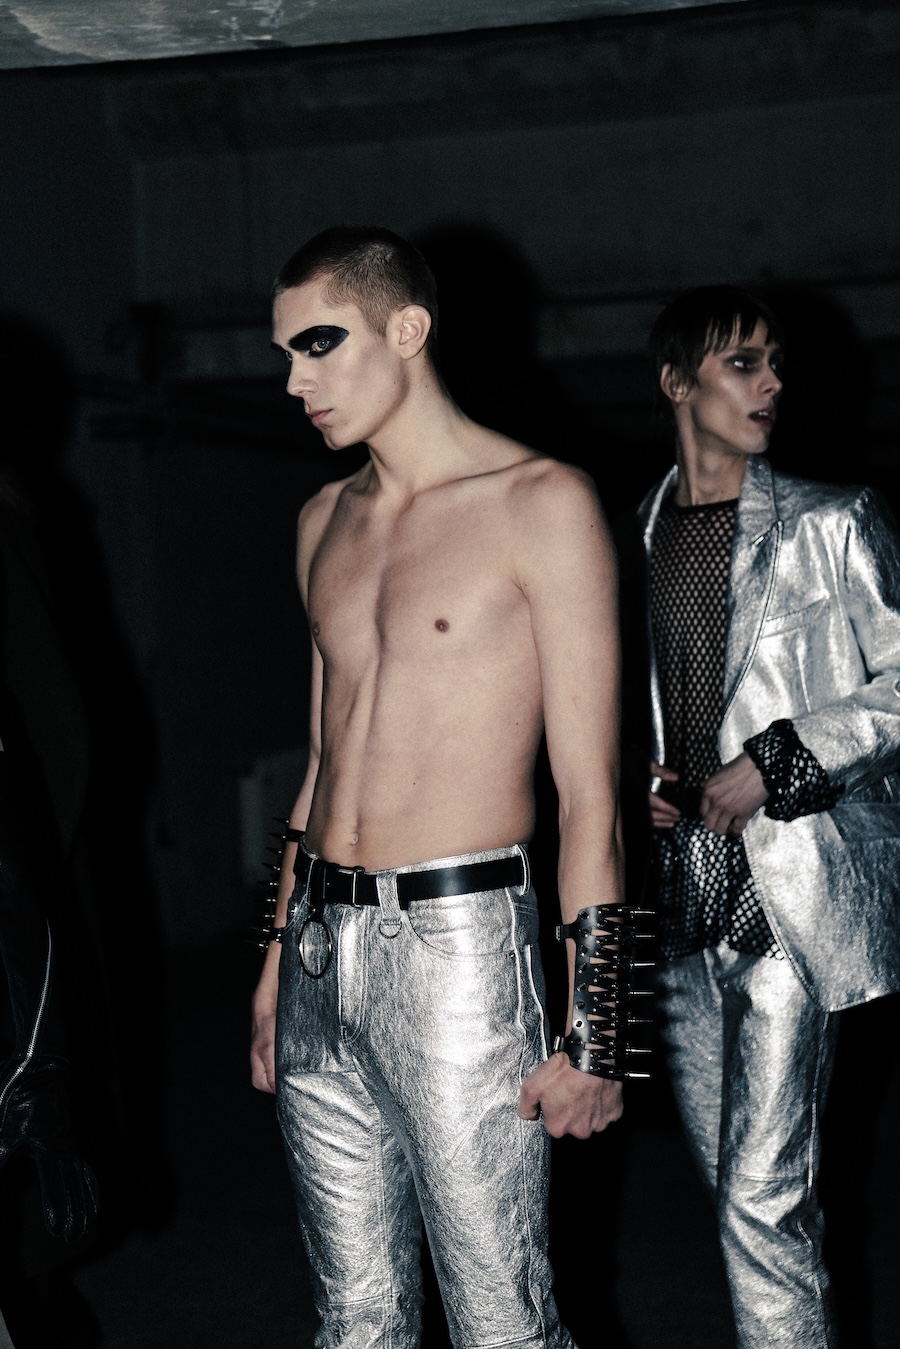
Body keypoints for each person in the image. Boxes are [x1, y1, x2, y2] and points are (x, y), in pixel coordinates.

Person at [249, 225, 645, 1348]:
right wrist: (274, 962)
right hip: (320, 951)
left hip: (462, 952)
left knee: (502, 1322)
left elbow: (592, 794)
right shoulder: (321, 521)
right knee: (353, 1319)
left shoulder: (542, 502)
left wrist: (600, 1030)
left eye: (320, 344)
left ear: (408, 329)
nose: (296, 381)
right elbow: (320, 762)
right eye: (285, 354)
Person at [639, 284, 900, 1349]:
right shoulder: (634, 535)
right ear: (676, 382)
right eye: (743, 363)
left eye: (775, 362)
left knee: (761, 1197)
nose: (773, 382)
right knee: (740, 1194)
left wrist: (780, 761)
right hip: (678, 909)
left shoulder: (834, 520)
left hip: (790, 898)